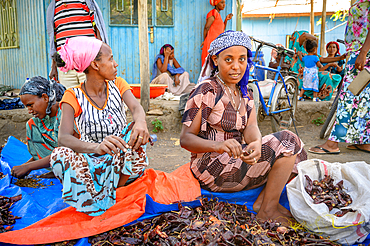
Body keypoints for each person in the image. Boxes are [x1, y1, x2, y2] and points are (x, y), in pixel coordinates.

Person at [181, 31, 307, 223]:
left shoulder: (244, 91)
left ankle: (262, 203)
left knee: (299, 153)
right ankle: (268, 212)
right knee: (288, 140)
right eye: (228, 59)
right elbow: (186, 138)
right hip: (212, 168)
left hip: (236, 161)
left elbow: (251, 126)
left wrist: (256, 142)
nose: (236, 66)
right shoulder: (207, 89)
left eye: (241, 59)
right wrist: (218, 146)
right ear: (215, 59)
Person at [50, 36, 150, 216]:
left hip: (121, 161)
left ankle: (117, 189)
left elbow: (136, 107)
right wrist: (97, 147)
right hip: (90, 164)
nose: (115, 64)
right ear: (95, 65)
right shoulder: (72, 95)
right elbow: (63, 137)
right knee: (59, 154)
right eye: (110, 58)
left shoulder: (118, 84)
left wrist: (141, 123)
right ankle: (93, 197)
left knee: (135, 129)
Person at [309, 0, 370, 154]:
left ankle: (332, 144)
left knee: (349, 96)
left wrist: (363, 52)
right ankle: (364, 141)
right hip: (359, 51)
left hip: (362, 53)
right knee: (362, 97)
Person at [11, 76, 66, 179]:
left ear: (45, 98)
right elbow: (43, 149)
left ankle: (63, 170)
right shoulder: (40, 121)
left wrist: (29, 167)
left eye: (31, 105)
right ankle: (56, 169)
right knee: (31, 125)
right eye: (27, 107)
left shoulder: (64, 114)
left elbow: (66, 151)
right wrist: (24, 166)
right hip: (58, 157)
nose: (29, 111)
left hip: (77, 159)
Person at [46, 0, 108, 88]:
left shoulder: (86, 2)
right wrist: (54, 66)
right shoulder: (53, 8)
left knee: (92, 98)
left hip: (89, 64)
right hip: (65, 68)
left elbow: (98, 29)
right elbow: (54, 40)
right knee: (70, 99)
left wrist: (102, 59)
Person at [287, 31, 346, 101]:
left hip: (308, 75)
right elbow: (304, 35)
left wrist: (340, 58)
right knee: (325, 75)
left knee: (337, 77)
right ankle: (316, 96)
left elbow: (323, 59)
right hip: (300, 76)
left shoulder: (309, 54)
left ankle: (309, 95)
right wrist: (316, 40)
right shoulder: (297, 48)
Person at [201, 0, 233, 66]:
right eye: (222, 2)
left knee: (214, 66)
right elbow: (206, 27)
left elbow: (221, 30)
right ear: (216, 3)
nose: (224, 5)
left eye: (224, 3)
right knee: (209, 67)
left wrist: (226, 20)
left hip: (216, 45)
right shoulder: (213, 13)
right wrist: (205, 40)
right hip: (210, 44)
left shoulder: (218, 15)